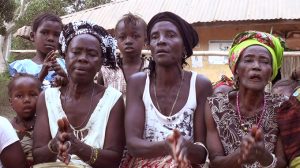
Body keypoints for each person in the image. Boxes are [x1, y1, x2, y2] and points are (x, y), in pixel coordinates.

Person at [121, 11, 211, 167]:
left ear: (184, 47)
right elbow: (133, 145)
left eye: (170, 35)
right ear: (150, 47)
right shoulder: (138, 83)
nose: (161, 41)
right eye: (155, 37)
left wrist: (186, 147)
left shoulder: (200, 85)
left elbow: (201, 153)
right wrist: (168, 146)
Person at [33, 21, 125, 167]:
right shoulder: (47, 98)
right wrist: (54, 145)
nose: (82, 58)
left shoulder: (113, 100)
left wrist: (77, 146)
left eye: (92, 54)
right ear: (65, 56)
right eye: (76, 52)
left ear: (101, 61)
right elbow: (38, 157)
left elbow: (113, 161)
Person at [205, 30, 287, 167]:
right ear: (236, 68)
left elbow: (283, 163)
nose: (256, 66)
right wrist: (240, 155)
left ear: (271, 71)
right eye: (248, 60)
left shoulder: (282, 106)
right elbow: (215, 162)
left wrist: (262, 155)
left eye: (265, 61)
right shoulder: (215, 106)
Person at [97, 13, 149, 98]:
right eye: (122, 37)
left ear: (145, 40)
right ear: (116, 40)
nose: (128, 41)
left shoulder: (152, 70)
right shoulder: (106, 71)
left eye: (135, 36)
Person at [9, 12, 66, 89]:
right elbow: (19, 96)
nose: (51, 38)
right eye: (45, 32)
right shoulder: (21, 68)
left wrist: (66, 80)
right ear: (33, 36)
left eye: (56, 35)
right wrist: (41, 76)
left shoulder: (65, 65)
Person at [8, 73, 41, 168]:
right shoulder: (8, 129)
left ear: (41, 97)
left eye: (33, 94)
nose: (26, 100)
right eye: (19, 96)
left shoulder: (46, 125)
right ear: (11, 102)